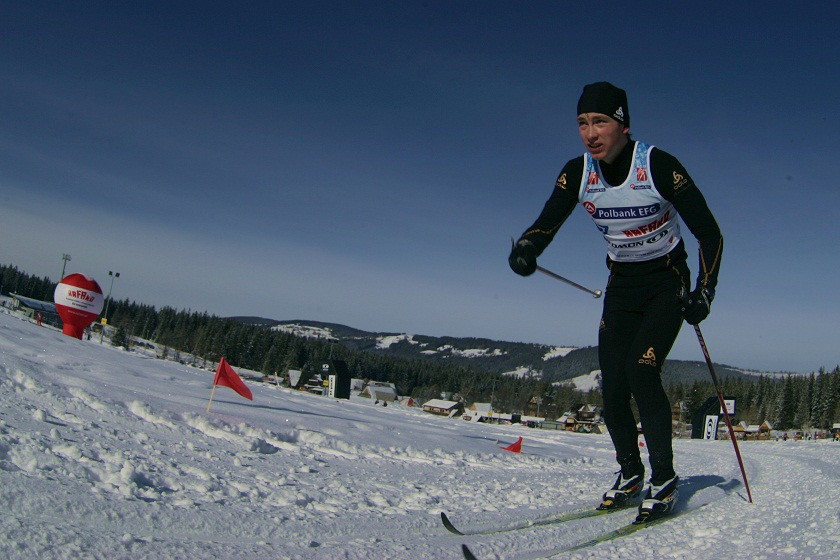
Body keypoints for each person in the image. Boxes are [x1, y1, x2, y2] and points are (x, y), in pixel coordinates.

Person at [508, 82, 722, 524]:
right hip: (622, 284)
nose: (590, 133)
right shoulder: (578, 172)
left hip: (667, 279)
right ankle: (630, 474)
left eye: (601, 121)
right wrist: (527, 248)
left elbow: (710, 233)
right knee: (613, 386)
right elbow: (547, 223)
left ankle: (663, 478)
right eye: (583, 123)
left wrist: (705, 291)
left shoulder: (659, 165)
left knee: (642, 370)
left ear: (623, 124)